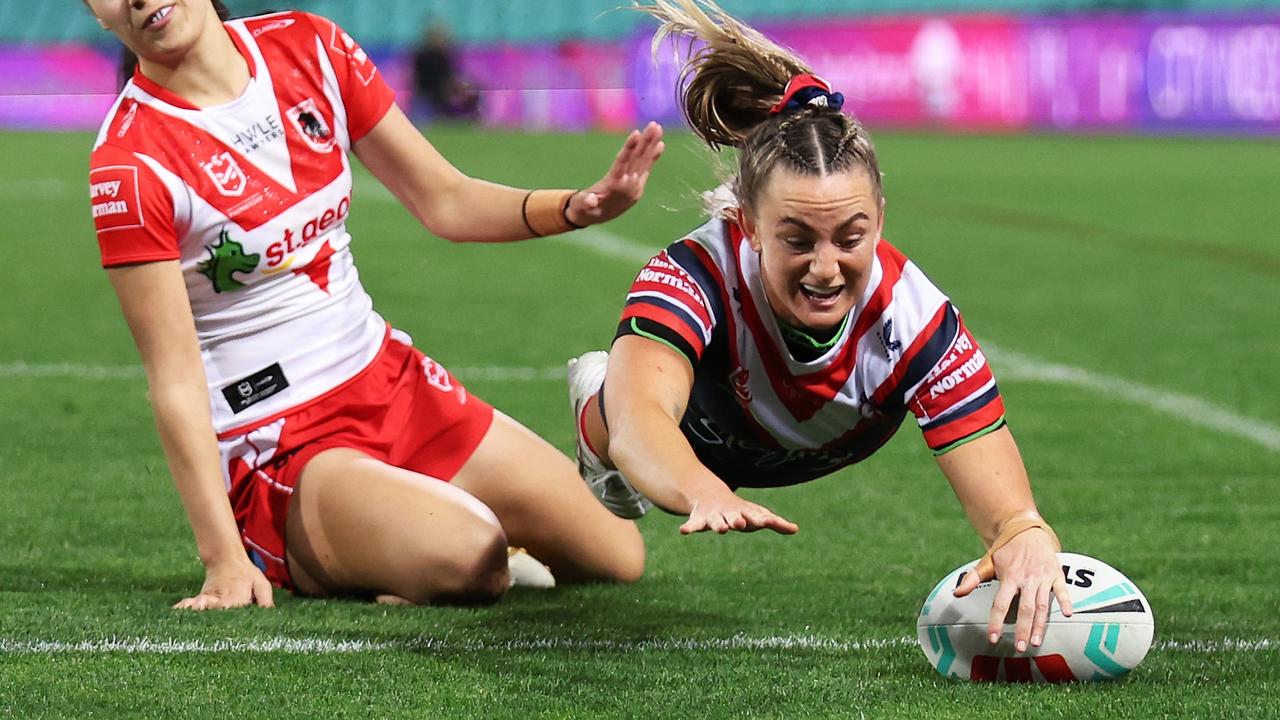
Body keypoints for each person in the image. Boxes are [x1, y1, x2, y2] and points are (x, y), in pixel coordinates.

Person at [84, 0, 664, 609]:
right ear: (95, 15)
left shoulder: (309, 47)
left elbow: (447, 200)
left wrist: (578, 206)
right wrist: (223, 559)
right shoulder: (128, 163)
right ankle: (377, 541)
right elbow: (174, 379)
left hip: (389, 381)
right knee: (473, 559)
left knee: (616, 555)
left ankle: (408, 530)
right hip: (281, 440)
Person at [567, 0, 1071, 654]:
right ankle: (591, 401)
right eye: (798, 240)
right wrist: (700, 488)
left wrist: (1027, 536)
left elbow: (1007, 512)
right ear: (747, 224)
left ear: (880, 219)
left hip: (835, 442)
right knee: (630, 446)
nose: (827, 268)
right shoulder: (693, 275)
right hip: (707, 441)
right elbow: (642, 424)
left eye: (851, 237)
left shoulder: (917, 318)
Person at [411, 23, 481, 122]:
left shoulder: (445, 56)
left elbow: (452, 77)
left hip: (439, 95)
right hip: (429, 97)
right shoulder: (425, 57)